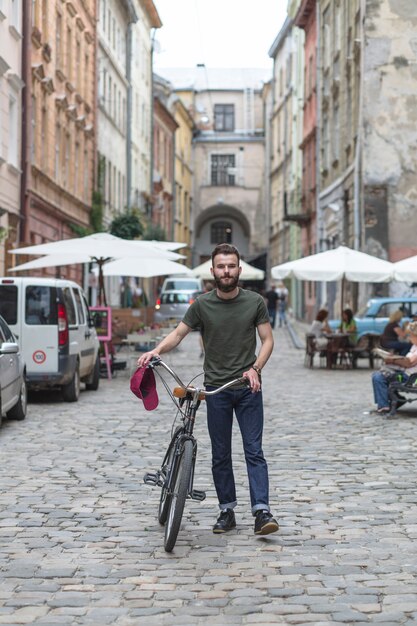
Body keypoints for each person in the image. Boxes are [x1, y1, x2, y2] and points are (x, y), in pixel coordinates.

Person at [137, 243, 279, 536]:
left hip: (247, 387)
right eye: (221, 267)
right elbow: (178, 334)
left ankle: (262, 512)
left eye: (231, 266)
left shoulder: (255, 302)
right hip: (217, 388)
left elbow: (267, 340)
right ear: (213, 270)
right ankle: (226, 510)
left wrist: (256, 369)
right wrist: (156, 350)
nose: (226, 272)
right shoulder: (202, 305)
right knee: (221, 454)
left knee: (254, 451)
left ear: (238, 269)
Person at [372, 320, 417, 414]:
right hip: (406, 374)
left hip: (410, 378)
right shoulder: (414, 347)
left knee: (378, 377)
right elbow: (407, 361)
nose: (409, 338)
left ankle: (385, 405)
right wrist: (392, 358)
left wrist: (393, 360)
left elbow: (409, 363)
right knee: (378, 376)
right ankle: (388, 403)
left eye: (411, 336)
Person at [199, 281, 214, 357]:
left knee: (202, 336)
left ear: (206, 289)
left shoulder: (203, 298)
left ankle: (203, 350)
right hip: (212, 319)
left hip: (204, 319)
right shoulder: (215, 297)